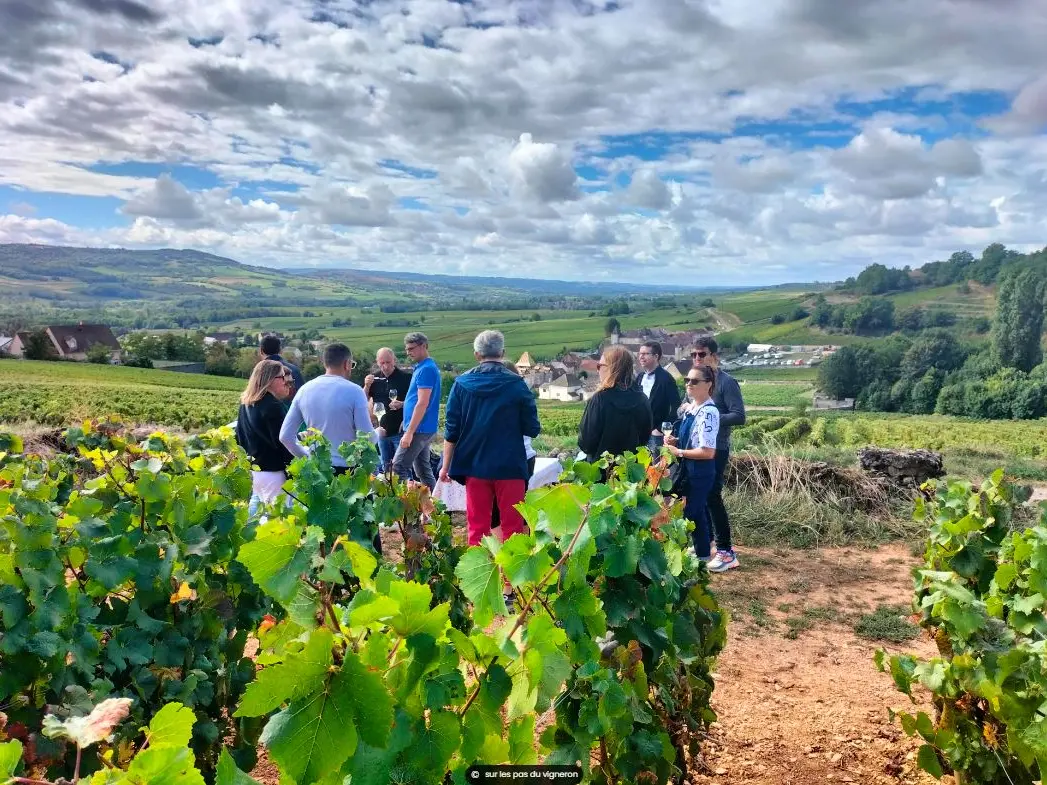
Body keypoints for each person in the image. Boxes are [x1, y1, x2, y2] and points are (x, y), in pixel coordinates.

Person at [439, 331, 541, 546]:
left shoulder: (461, 385)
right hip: (510, 465)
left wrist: (445, 466)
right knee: (513, 530)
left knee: (478, 529)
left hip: (474, 466)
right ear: (502, 353)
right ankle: (510, 580)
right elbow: (532, 428)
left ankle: (479, 577)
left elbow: (451, 430)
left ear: (477, 355)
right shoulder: (517, 385)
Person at [691, 336, 745, 572]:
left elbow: (739, 415)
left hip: (718, 448)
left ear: (715, 356)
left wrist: (710, 416)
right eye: (693, 355)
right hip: (697, 447)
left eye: (702, 354)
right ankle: (708, 542)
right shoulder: (697, 381)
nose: (697, 358)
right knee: (700, 494)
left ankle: (726, 552)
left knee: (713, 496)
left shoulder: (727, 383)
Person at [278, 343, 377, 472]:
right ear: (347, 364)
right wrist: (378, 434)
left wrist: (307, 456)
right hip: (348, 471)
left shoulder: (304, 390)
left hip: (317, 469)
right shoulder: (355, 391)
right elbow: (368, 437)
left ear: (325, 363)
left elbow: (285, 437)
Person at [666, 365, 720, 561]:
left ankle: (693, 556)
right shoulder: (694, 408)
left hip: (700, 471)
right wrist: (676, 441)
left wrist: (678, 451)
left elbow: (707, 452)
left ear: (708, 385)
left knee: (689, 514)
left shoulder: (709, 413)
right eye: (687, 380)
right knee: (697, 514)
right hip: (689, 469)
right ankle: (702, 552)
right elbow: (694, 441)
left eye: (694, 381)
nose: (689, 384)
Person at [235, 360, 295, 516]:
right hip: (274, 473)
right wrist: (295, 471)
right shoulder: (272, 406)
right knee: (277, 521)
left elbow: (239, 437)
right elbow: (283, 442)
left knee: (258, 517)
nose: (286, 382)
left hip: (257, 471)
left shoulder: (246, 403)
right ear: (270, 380)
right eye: (282, 377)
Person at [578, 345, 652, 464]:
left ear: (611, 368)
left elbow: (586, 443)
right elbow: (644, 439)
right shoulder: (642, 399)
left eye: (599, 366)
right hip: (630, 472)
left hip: (601, 472)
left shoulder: (600, 399)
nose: (598, 370)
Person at [393, 332, 440, 490]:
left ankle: (407, 508)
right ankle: (434, 508)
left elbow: (423, 402)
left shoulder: (426, 369)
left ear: (424, 346)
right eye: (407, 349)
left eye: (412, 348)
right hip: (423, 427)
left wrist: (409, 432)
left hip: (419, 429)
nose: (408, 352)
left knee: (398, 468)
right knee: (423, 471)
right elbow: (420, 400)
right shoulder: (425, 367)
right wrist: (404, 406)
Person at [363, 347, 412, 472]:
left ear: (394, 360)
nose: (385, 366)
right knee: (386, 467)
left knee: (401, 468)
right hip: (382, 431)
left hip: (400, 431)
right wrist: (367, 386)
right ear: (377, 362)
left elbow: (415, 402)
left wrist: (402, 404)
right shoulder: (374, 379)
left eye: (388, 362)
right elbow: (362, 400)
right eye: (382, 363)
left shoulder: (406, 378)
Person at [635, 341, 682, 454]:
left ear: (656, 356)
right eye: (640, 353)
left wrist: (661, 428)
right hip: (638, 432)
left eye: (645, 353)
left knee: (656, 468)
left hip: (655, 435)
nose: (641, 356)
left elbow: (677, 406)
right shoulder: (640, 377)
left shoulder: (666, 379)